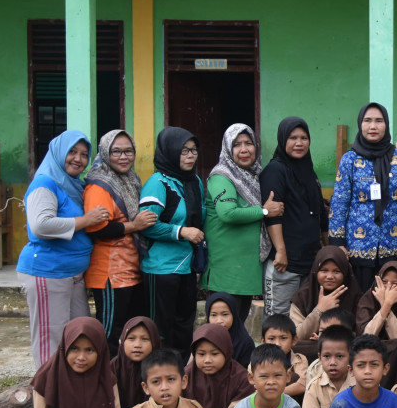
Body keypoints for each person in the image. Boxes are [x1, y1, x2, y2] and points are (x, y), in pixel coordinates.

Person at [18, 130, 108, 367]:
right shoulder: (45, 182)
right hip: (48, 271)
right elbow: (40, 225)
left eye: (84, 154)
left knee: (78, 335)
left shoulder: (74, 185)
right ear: (58, 152)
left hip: (73, 274)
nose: (78, 159)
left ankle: (71, 392)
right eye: (72, 152)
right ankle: (47, 396)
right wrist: (86, 221)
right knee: (52, 340)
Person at [330, 102, 397, 293]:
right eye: (367, 120)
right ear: (360, 124)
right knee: (362, 298)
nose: (373, 126)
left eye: (379, 121)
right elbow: (339, 202)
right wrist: (338, 243)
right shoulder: (350, 159)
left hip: (394, 242)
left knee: (393, 299)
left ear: (386, 124)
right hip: (359, 244)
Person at [84, 129, 155, 354]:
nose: (123, 157)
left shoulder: (130, 179)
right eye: (116, 152)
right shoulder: (100, 184)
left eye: (128, 151)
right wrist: (135, 226)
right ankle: (106, 383)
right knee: (110, 336)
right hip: (110, 273)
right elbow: (97, 229)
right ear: (105, 153)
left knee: (132, 334)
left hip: (130, 269)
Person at [202, 124, 282, 323]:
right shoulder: (222, 176)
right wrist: (264, 211)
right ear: (228, 148)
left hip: (245, 270)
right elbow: (227, 213)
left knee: (236, 330)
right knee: (221, 331)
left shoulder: (253, 175)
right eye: (237, 145)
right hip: (226, 270)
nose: (244, 149)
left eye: (249, 143)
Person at [139, 127, 206, 358]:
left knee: (184, 326)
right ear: (170, 152)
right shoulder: (158, 183)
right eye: (184, 151)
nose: (190, 156)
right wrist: (181, 231)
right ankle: (157, 377)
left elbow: (202, 214)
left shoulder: (194, 180)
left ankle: (179, 375)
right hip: (161, 269)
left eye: (194, 150)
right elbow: (147, 224)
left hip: (186, 267)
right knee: (161, 329)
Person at [261, 117, 328, 316]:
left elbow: (321, 213)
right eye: (293, 138)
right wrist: (280, 251)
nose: (299, 143)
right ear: (283, 140)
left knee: (302, 317)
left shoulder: (308, 170)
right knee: (278, 318)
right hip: (285, 264)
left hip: (309, 262)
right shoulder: (275, 171)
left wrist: (328, 249)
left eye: (304, 138)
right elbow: (273, 215)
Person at [184, 323, 254, 408]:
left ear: (226, 352)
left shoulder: (241, 379)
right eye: (201, 354)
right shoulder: (187, 375)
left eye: (214, 354)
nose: (207, 360)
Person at [290, 246, 359, 360]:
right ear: (316, 271)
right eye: (324, 270)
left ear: (345, 272)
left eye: (336, 271)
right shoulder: (303, 297)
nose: (330, 276)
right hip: (310, 353)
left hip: (345, 354)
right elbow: (297, 336)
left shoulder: (354, 296)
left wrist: (328, 339)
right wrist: (319, 309)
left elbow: (361, 335)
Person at [355, 261, 397, 344]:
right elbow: (365, 338)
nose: (388, 286)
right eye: (384, 281)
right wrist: (386, 305)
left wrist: (386, 304)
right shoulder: (369, 298)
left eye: (395, 283)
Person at [113, 315, 160, 408]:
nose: (137, 345)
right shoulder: (113, 368)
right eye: (131, 338)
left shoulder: (162, 368)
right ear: (122, 341)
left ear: (154, 342)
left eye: (145, 339)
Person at [261, 314, 309, 401]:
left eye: (283, 338)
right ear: (263, 341)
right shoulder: (258, 359)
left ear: (294, 340)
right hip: (263, 403)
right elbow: (253, 384)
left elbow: (303, 384)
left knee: (294, 377)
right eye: (271, 339)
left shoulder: (299, 359)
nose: (277, 344)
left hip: (289, 403)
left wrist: (277, 394)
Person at [206, 292, 256, 368]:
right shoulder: (203, 339)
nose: (219, 320)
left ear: (234, 315)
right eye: (213, 315)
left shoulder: (245, 343)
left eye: (225, 314)